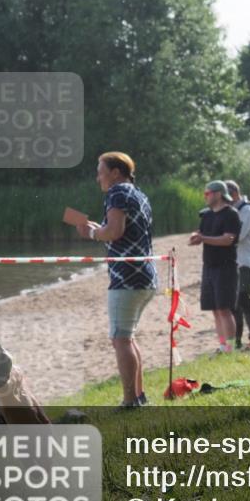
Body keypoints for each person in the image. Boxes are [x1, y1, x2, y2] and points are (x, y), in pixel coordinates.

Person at [77, 152, 156, 407]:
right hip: (143, 275)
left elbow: (114, 231)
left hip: (127, 278)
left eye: (101, 170)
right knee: (127, 338)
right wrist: (96, 229)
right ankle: (138, 395)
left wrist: (91, 233)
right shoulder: (137, 193)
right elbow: (119, 229)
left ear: (115, 172)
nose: (97, 176)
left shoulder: (117, 193)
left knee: (120, 339)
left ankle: (130, 401)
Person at [189, 180, 240, 353]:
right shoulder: (207, 215)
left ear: (218, 194)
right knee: (215, 310)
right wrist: (196, 237)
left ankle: (231, 348)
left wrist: (203, 239)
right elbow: (202, 234)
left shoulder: (231, 214)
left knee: (224, 309)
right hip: (209, 266)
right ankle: (222, 345)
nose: (205, 196)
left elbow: (228, 239)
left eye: (207, 193)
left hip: (226, 267)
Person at [225, 180, 250, 351]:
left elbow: (237, 236)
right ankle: (237, 342)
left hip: (245, 262)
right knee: (234, 303)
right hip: (232, 262)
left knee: (244, 299)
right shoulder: (231, 211)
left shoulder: (247, 210)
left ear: (233, 194)